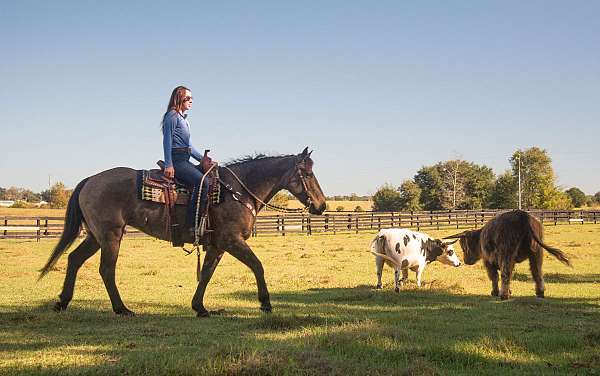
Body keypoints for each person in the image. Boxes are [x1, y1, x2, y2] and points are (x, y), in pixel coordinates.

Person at [161, 85, 209, 232]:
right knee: (202, 182)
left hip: (185, 158)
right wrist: (169, 164)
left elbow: (189, 146)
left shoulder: (184, 120)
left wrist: (203, 159)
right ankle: (191, 225)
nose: (191, 101)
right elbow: (167, 140)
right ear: (178, 98)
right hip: (177, 160)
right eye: (187, 98)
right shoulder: (172, 116)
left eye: (191, 98)